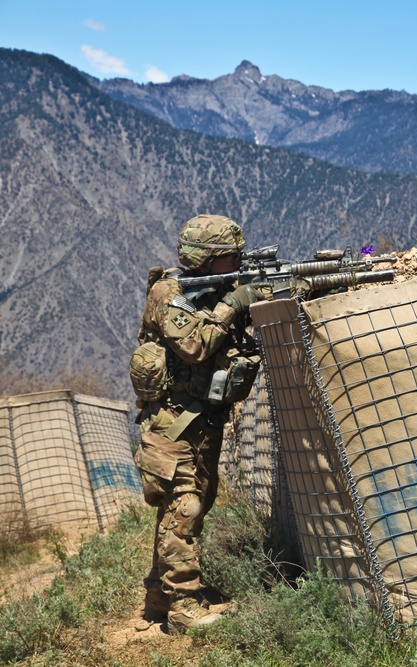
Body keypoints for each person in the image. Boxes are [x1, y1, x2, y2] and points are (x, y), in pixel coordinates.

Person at [131, 214, 261, 634]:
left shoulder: (212, 289)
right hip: (170, 423)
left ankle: (158, 598)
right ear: (205, 261)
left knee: (187, 509)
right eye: (230, 258)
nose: (237, 263)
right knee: (183, 508)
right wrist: (233, 304)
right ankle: (183, 608)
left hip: (199, 421)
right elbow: (194, 345)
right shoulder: (169, 293)